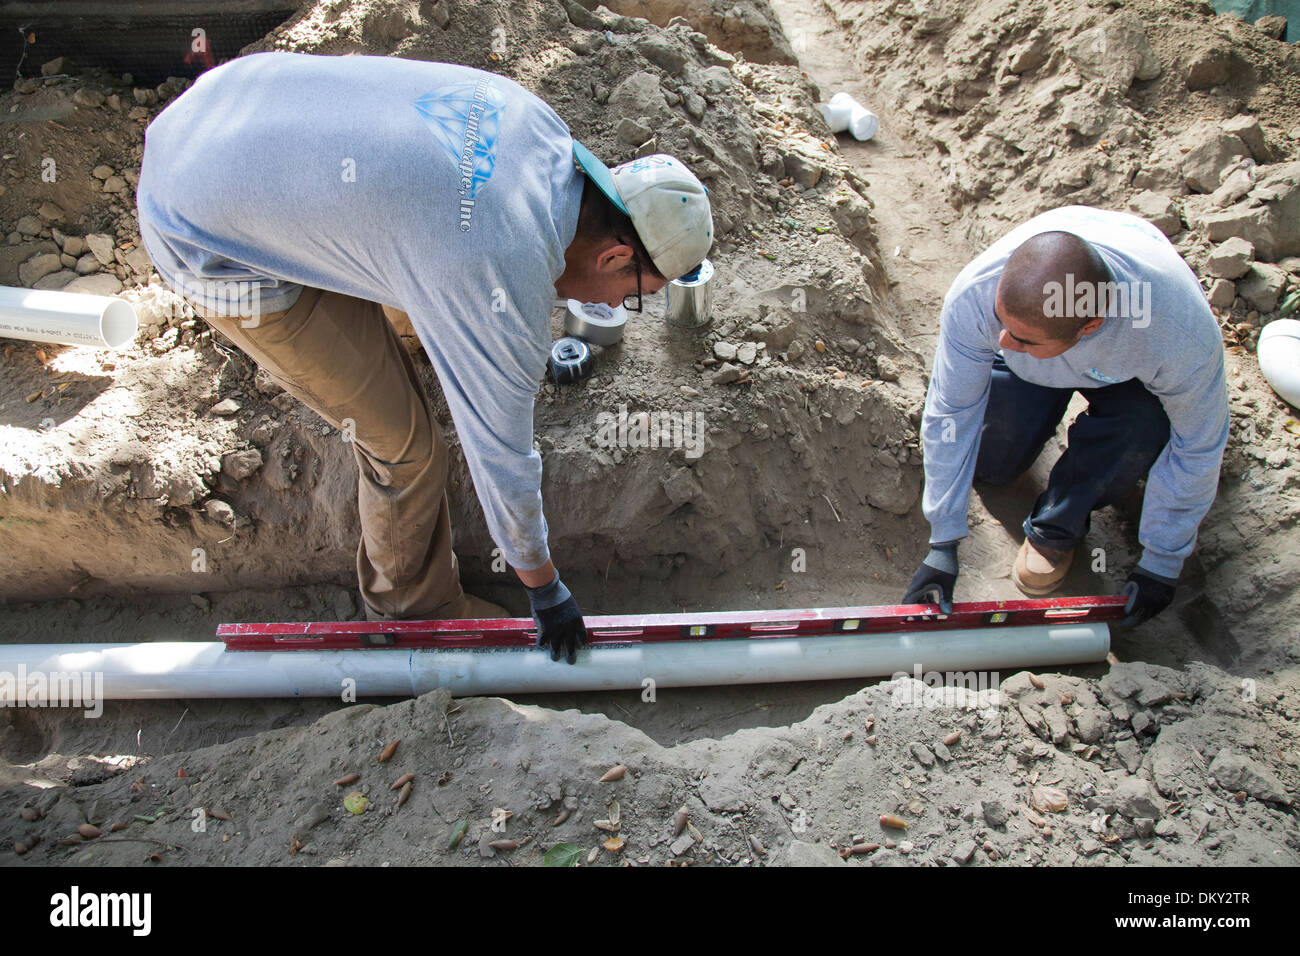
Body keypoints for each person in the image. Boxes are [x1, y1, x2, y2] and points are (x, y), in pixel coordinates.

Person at [136, 52, 713, 664]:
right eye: (634, 294)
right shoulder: (495, 271)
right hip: (204, 236)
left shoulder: (539, 127)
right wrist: (544, 587)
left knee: (436, 277)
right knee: (406, 449)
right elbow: (501, 456)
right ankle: (413, 614)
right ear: (614, 257)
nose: (620, 305)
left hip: (226, 105)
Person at [901, 205, 1229, 627]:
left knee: (1145, 426)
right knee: (992, 463)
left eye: (1020, 337)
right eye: (1001, 324)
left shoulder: (1176, 335)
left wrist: (1162, 562)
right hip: (1043, 353)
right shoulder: (978, 296)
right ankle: (1034, 403)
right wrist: (943, 541)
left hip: (1126, 371)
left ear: (1089, 326)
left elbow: (1198, 444)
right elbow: (952, 412)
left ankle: (1056, 526)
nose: (1003, 341)